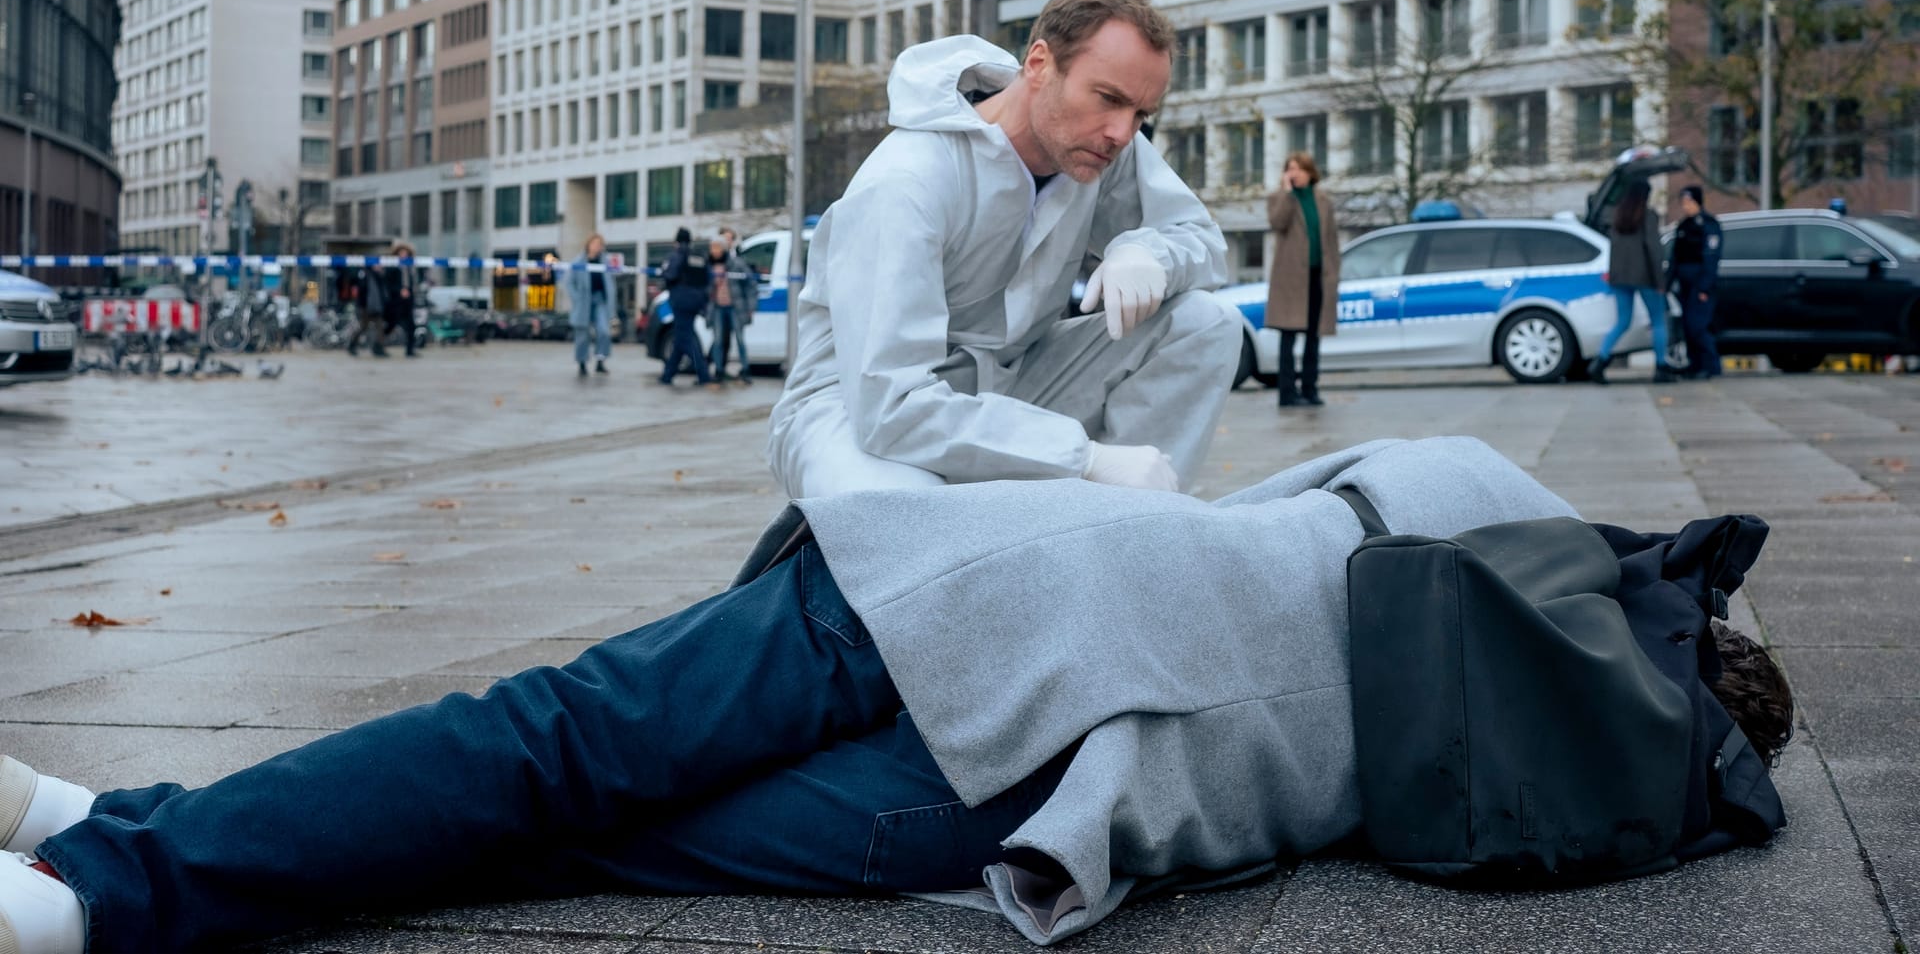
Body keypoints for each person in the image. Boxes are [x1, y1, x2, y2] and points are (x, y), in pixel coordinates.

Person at [0, 437, 1794, 954]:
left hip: (988, 588)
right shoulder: (1546, 776)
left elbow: (1262, 504)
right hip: (1023, 791)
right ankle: (115, 853)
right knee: (589, 820)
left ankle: (114, 868)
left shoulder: (1486, 490)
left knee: (548, 739)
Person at [768, 0, 1242, 499]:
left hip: (1013, 385)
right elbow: (889, 407)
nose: (1122, 132)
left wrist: (1150, 251)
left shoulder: (1101, 151)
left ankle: (1123, 530)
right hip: (854, 409)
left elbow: (1200, 240)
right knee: (898, 509)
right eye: (1108, 99)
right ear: (1039, 65)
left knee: (1204, 322)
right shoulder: (908, 181)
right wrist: (1083, 457)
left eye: (1141, 114)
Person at [1265, 151, 1341, 408]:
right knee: (1288, 336)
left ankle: (1310, 388)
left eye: (1298, 168)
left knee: (1313, 336)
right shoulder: (1279, 198)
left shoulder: (1323, 201)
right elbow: (1277, 223)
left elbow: (1331, 239)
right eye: (1290, 169)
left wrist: (1334, 272)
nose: (1293, 173)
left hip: (1318, 276)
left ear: (1310, 172)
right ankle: (1287, 393)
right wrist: (1287, 193)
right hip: (1290, 279)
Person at [1591, 179, 1674, 385]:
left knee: (1622, 321)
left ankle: (1600, 361)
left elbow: (1614, 250)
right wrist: (1660, 280)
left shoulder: (1617, 216)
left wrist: (1613, 274)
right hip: (1645, 276)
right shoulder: (1648, 216)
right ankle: (1661, 366)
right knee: (1658, 321)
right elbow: (1654, 250)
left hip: (1620, 278)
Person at [1671, 185, 1724, 381]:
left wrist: (1704, 286)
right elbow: (1675, 257)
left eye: (1689, 202)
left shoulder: (1708, 225)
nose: (1685, 206)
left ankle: (1711, 366)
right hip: (1684, 285)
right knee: (1687, 327)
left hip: (1699, 284)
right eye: (1683, 203)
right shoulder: (1684, 226)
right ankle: (1695, 365)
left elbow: (1711, 258)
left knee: (1698, 326)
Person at [658, 227, 713, 388]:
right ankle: (667, 375)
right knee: (681, 337)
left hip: (680, 301)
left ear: (677, 241)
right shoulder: (699, 257)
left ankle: (703, 373)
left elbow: (669, 274)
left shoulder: (676, 256)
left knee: (684, 339)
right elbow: (708, 279)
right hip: (697, 302)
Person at [708, 229, 755, 384]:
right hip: (718, 308)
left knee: (740, 340)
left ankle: (745, 369)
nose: (714, 251)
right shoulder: (709, 266)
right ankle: (719, 370)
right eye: (712, 248)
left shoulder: (736, 264)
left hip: (735, 307)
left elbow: (750, 284)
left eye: (717, 248)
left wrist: (750, 307)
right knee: (718, 340)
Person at [564, 234, 615, 378]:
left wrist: (611, 301)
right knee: (582, 334)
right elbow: (568, 283)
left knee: (604, 331)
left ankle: (600, 360)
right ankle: (582, 363)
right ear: (588, 244)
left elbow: (611, 283)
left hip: (600, 300)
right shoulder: (579, 261)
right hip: (583, 301)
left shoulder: (605, 262)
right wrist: (576, 298)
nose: (597, 246)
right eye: (595, 243)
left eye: (600, 244)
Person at [344, 258, 388, 358]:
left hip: (376, 306)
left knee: (379, 326)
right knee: (364, 326)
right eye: (377, 265)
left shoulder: (377, 276)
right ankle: (352, 344)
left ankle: (378, 348)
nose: (379, 266)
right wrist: (364, 305)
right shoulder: (365, 275)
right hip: (366, 306)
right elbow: (361, 291)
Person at [383, 243, 419, 359]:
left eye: (406, 253)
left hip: (408, 301)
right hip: (395, 302)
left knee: (411, 326)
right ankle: (378, 344)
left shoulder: (410, 267)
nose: (403, 255)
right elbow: (388, 284)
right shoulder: (392, 266)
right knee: (391, 325)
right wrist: (399, 291)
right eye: (401, 253)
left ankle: (410, 350)